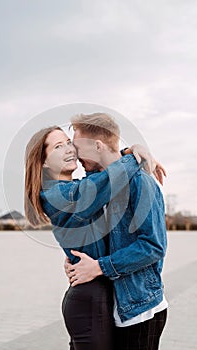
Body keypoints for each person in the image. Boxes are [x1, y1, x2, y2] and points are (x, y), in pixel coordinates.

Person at [24, 120, 165, 349]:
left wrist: (129, 152)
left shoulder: (86, 184)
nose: (70, 149)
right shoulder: (59, 195)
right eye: (58, 146)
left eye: (69, 142)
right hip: (89, 301)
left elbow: (105, 174)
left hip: (105, 298)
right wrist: (135, 155)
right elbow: (108, 178)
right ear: (43, 162)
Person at [65, 113, 168, 350]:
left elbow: (153, 246)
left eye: (78, 147)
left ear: (98, 146)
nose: (75, 155)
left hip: (140, 310)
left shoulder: (141, 182)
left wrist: (99, 267)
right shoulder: (98, 184)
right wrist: (76, 260)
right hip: (111, 305)